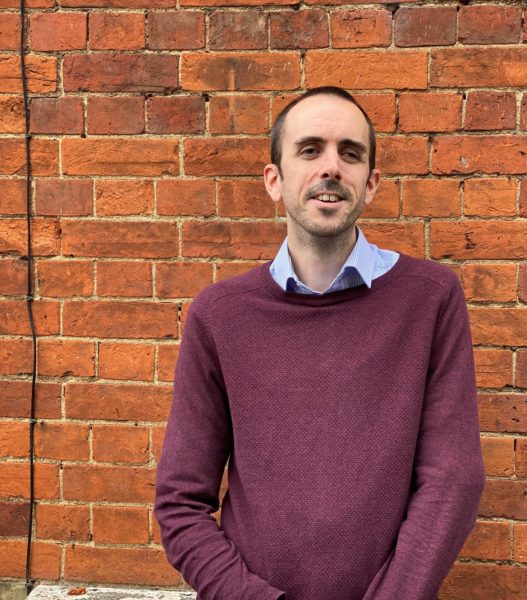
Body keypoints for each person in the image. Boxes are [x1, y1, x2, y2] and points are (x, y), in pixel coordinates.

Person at [154, 86, 485, 600]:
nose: (331, 166)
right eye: (310, 150)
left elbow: (453, 480)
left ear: (371, 183)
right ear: (274, 179)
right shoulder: (220, 315)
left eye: (350, 153)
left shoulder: (430, 299)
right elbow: (179, 501)